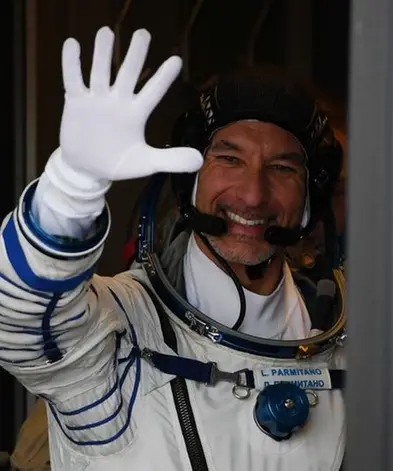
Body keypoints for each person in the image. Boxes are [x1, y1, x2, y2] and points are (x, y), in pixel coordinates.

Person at [0, 25, 346, 471]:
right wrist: (71, 190)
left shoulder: (353, 339)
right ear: (191, 180)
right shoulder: (115, 335)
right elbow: (20, 324)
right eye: (229, 159)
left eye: (281, 167)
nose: (253, 195)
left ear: (308, 202)